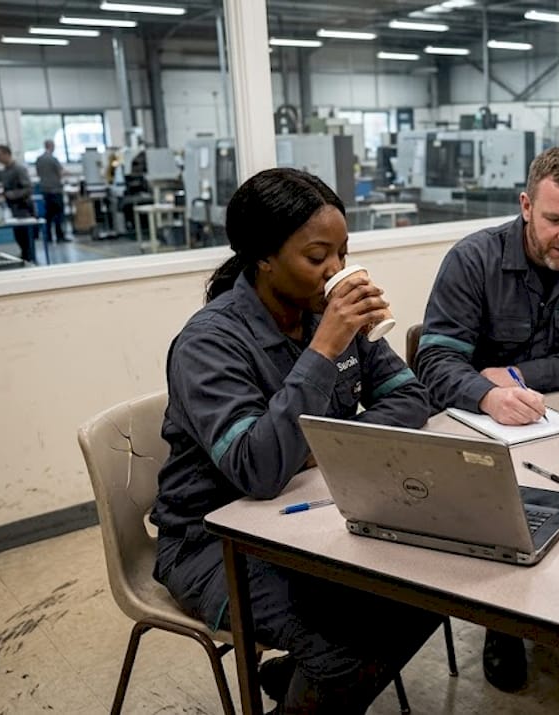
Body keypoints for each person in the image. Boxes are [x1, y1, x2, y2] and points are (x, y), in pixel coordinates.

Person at [151, 167, 440, 713]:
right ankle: (316, 680)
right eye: (317, 257)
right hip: (213, 543)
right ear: (263, 257)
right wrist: (323, 350)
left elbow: (409, 398)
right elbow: (259, 471)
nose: (337, 271)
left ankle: (304, 683)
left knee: (438, 589)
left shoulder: (328, 313)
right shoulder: (209, 343)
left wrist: (324, 445)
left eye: (343, 253)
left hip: (314, 515)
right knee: (339, 647)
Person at [416, 146, 559, 692]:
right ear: (526, 205)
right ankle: (502, 623)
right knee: (503, 513)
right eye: (555, 219)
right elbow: (434, 360)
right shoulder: (473, 259)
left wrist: (514, 375)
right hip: (481, 430)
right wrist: (487, 396)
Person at [0, 144, 35, 262]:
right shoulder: (5, 171)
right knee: (19, 236)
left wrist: (10, 194)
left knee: (26, 238)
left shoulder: (19, 169)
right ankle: (25, 258)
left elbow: (28, 189)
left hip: (23, 208)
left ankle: (29, 260)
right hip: (13, 208)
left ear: (7, 154)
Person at [34, 140, 68, 243]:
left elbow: (38, 173)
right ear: (52, 146)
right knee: (58, 215)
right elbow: (60, 172)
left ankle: (48, 237)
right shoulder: (53, 159)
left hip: (45, 190)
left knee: (48, 215)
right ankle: (59, 236)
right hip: (55, 190)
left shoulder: (39, 159)